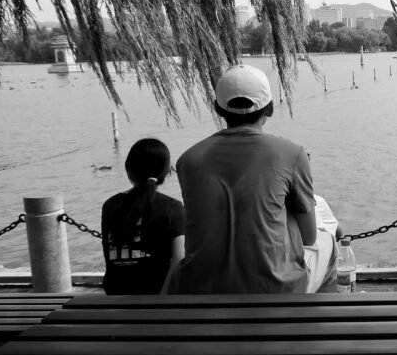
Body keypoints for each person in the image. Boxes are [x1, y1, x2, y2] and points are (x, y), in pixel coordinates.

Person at [170, 64, 317, 293]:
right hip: (274, 291)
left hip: (202, 290)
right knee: (327, 243)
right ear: (270, 108)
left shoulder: (188, 160)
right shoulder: (292, 154)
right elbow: (309, 236)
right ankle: (322, 312)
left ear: (217, 109)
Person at [100, 138, 185, 294]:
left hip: (115, 297)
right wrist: (162, 299)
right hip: (156, 296)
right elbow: (179, 259)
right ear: (166, 172)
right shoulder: (173, 208)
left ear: (128, 170)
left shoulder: (110, 205)